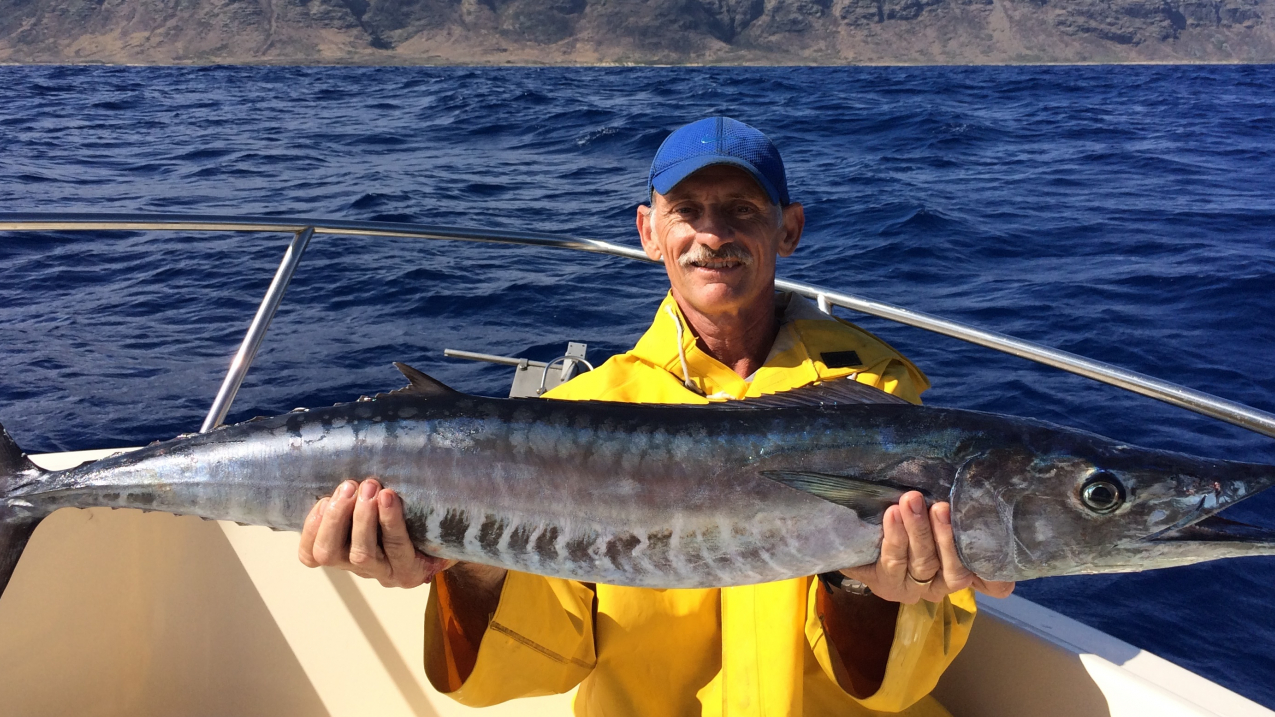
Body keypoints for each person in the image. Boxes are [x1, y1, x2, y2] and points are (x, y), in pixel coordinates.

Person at [297, 116, 1015, 716]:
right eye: (686, 211)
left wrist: (863, 588)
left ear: (788, 229)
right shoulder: (581, 411)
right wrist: (471, 566)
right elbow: (531, 670)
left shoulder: (879, 399)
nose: (713, 234)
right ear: (648, 231)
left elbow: (902, 686)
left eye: (741, 209)